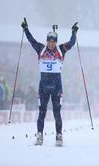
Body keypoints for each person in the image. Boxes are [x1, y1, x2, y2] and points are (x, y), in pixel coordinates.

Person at [21, 18, 78, 146]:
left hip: (57, 86)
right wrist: (25, 29)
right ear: (47, 41)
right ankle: (40, 135)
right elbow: (31, 40)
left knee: (57, 112)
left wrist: (74, 32)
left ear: (56, 42)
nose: (51, 43)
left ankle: (59, 135)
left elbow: (72, 43)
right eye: (49, 41)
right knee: (42, 111)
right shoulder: (41, 48)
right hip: (44, 86)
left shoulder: (61, 49)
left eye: (53, 41)